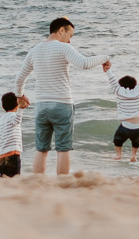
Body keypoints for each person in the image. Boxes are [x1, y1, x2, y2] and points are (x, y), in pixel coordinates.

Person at [14, 17, 110, 175]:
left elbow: (19, 78)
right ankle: (62, 184)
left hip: (41, 107)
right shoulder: (63, 48)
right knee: (63, 149)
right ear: (61, 31)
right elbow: (84, 63)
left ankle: (38, 184)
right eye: (70, 35)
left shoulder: (34, 50)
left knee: (41, 149)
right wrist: (105, 58)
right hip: (62, 104)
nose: (70, 41)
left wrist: (20, 95)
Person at [106, 65, 139, 162]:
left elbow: (112, 80)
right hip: (138, 127)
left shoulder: (119, 91)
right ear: (135, 85)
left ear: (121, 86)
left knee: (117, 140)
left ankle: (118, 155)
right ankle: (133, 156)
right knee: (136, 141)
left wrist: (107, 70)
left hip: (125, 127)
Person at [0, 91, 23, 178]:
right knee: (14, 177)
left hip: (1, 156)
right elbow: (18, 119)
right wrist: (21, 108)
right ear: (17, 105)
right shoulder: (13, 116)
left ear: (3, 106)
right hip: (12, 154)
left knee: (3, 176)